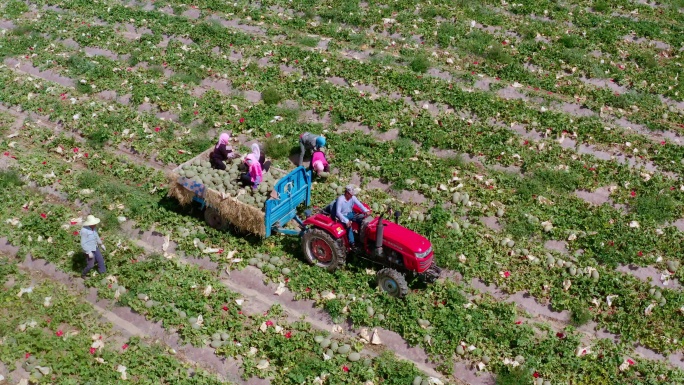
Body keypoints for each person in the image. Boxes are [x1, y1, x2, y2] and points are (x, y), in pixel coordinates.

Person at [80, 215, 106, 279]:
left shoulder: (94, 228)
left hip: (95, 247)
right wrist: (88, 252)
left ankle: (102, 273)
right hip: (88, 249)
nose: (95, 224)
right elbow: (83, 243)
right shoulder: (84, 231)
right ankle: (83, 274)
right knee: (91, 265)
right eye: (93, 223)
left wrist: (101, 244)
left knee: (101, 260)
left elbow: (96, 237)